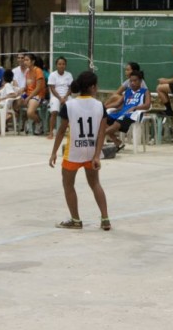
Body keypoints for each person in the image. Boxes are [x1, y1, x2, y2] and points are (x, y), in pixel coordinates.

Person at [48, 71, 111, 231]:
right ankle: (105, 219)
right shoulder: (99, 106)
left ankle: (76, 220)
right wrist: (97, 155)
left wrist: (54, 152)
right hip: (91, 151)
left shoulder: (69, 105)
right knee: (95, 183)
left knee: (68, 185)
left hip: (74, 151)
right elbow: (102, 132)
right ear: (92, 87)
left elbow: (61, 131)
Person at [105, 70, 151, 151]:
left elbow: (147, 105)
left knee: (117, 123)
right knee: (103, 119)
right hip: (122, 112)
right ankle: (117, 142)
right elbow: (117, 104)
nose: (132, 83)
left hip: (133, 114)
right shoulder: (127, 91)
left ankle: (98, 136)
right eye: (131, 81)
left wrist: (135, 108)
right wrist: (103, 107)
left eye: (135, 81)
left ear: (140, 81)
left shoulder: (145, 91)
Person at [47, 57, 73, 139]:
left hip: (66, 96)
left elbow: (70, 88)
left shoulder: (69, 75)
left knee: (73, 109)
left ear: (65, 65)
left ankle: (72, 132)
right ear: (56, 65)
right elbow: (52, 88)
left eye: (63, 64)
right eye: (59, 64)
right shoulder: (52, 75)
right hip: (55, 96)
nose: (61, 66)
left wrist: (65, 97)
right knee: (54, 112)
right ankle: (51, 132)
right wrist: (60, 98)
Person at [22, 53, 45, 135]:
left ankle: (38, 122)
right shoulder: (27, 72)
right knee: (15, 102)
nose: (25, 62)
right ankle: (27, 121)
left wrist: (28, 98)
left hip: (37, 95)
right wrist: (20, 91)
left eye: (27, 60)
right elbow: (26, 87)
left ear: (33, 61)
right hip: (28, 94)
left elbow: (38, 88)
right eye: (24, 60)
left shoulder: (38, 71)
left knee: (30, 112)